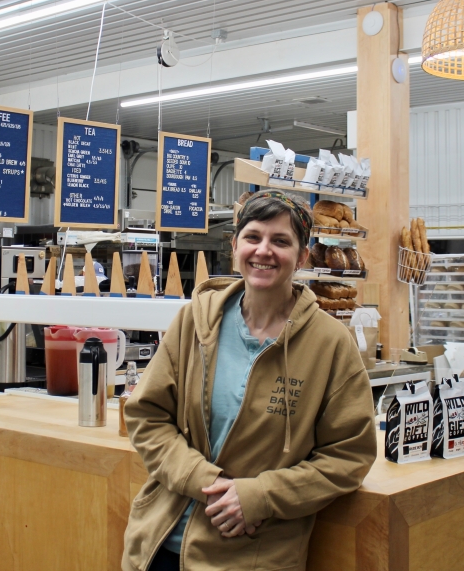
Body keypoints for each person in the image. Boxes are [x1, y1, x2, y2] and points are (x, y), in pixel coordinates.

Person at [122, 190, 377, 571]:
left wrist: (260, 496)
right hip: (157, 544)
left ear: (303, 256)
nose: (264, 251)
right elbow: (147, 416)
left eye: (281, 241)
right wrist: (202, 479)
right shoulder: (195, 321)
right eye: (253, 237)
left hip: (251, 554)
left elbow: (349, 457)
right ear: (235, 245)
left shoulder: (330, 344)